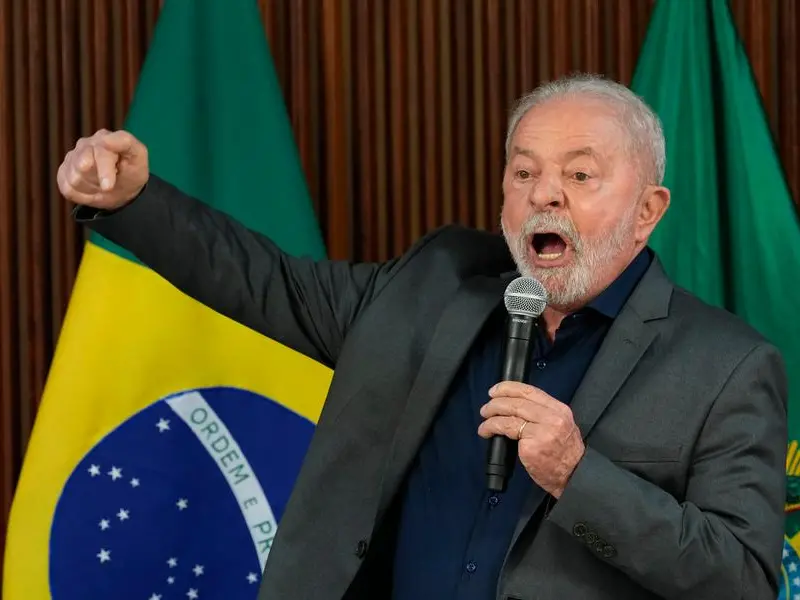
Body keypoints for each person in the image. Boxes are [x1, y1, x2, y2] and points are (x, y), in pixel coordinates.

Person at [57, 74, 787, 600]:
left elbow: (744, 579)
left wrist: (577, 475)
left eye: (580, 174)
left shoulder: (726, 365)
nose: (544, 193)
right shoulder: (435, 286)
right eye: (523, 171)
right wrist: (134, 202)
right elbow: (266, 281)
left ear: (648, 209)